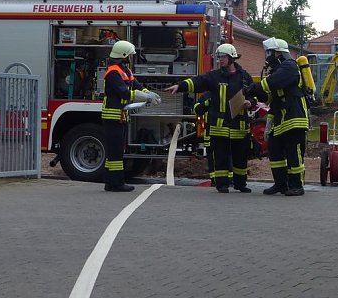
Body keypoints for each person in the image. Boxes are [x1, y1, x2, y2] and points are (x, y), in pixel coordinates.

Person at [167, 43, 253, 193]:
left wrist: (250, 102)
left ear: (232, 57)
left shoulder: (245, 77)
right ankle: (222, 185)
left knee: (240, 158)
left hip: (239, 126)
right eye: (219, 57)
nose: (220, 60)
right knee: (220, 157)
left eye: (223, 57)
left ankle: (241, 184)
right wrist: (180, 86)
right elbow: (198, 81)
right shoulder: (214, 76)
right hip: (218, 127)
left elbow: (254, 95)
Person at [247, 37, 309, 196]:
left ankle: (296, 185)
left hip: (294, 118)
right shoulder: (278, 70)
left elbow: (272, 83)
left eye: (270, 52)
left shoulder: (290, 67)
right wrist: (252, 97)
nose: (268, 56)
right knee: (274, 151)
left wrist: (254, 88)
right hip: (281, 119)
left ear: (278, 53)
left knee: (293, 153)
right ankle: (281, 184)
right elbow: (269, 96)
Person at [102, 40, 160, 192]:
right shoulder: (113, 72)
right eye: (130, 55)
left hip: (120, 116)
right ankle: (117, 184)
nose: (132, 58)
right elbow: (125, 92)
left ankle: (110, 182)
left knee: (116, 151)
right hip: (113, 117)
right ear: (124, 55)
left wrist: (150, 94)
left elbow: (136, 85)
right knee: (115, 152)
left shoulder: (124, 70)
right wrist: (144, 97)